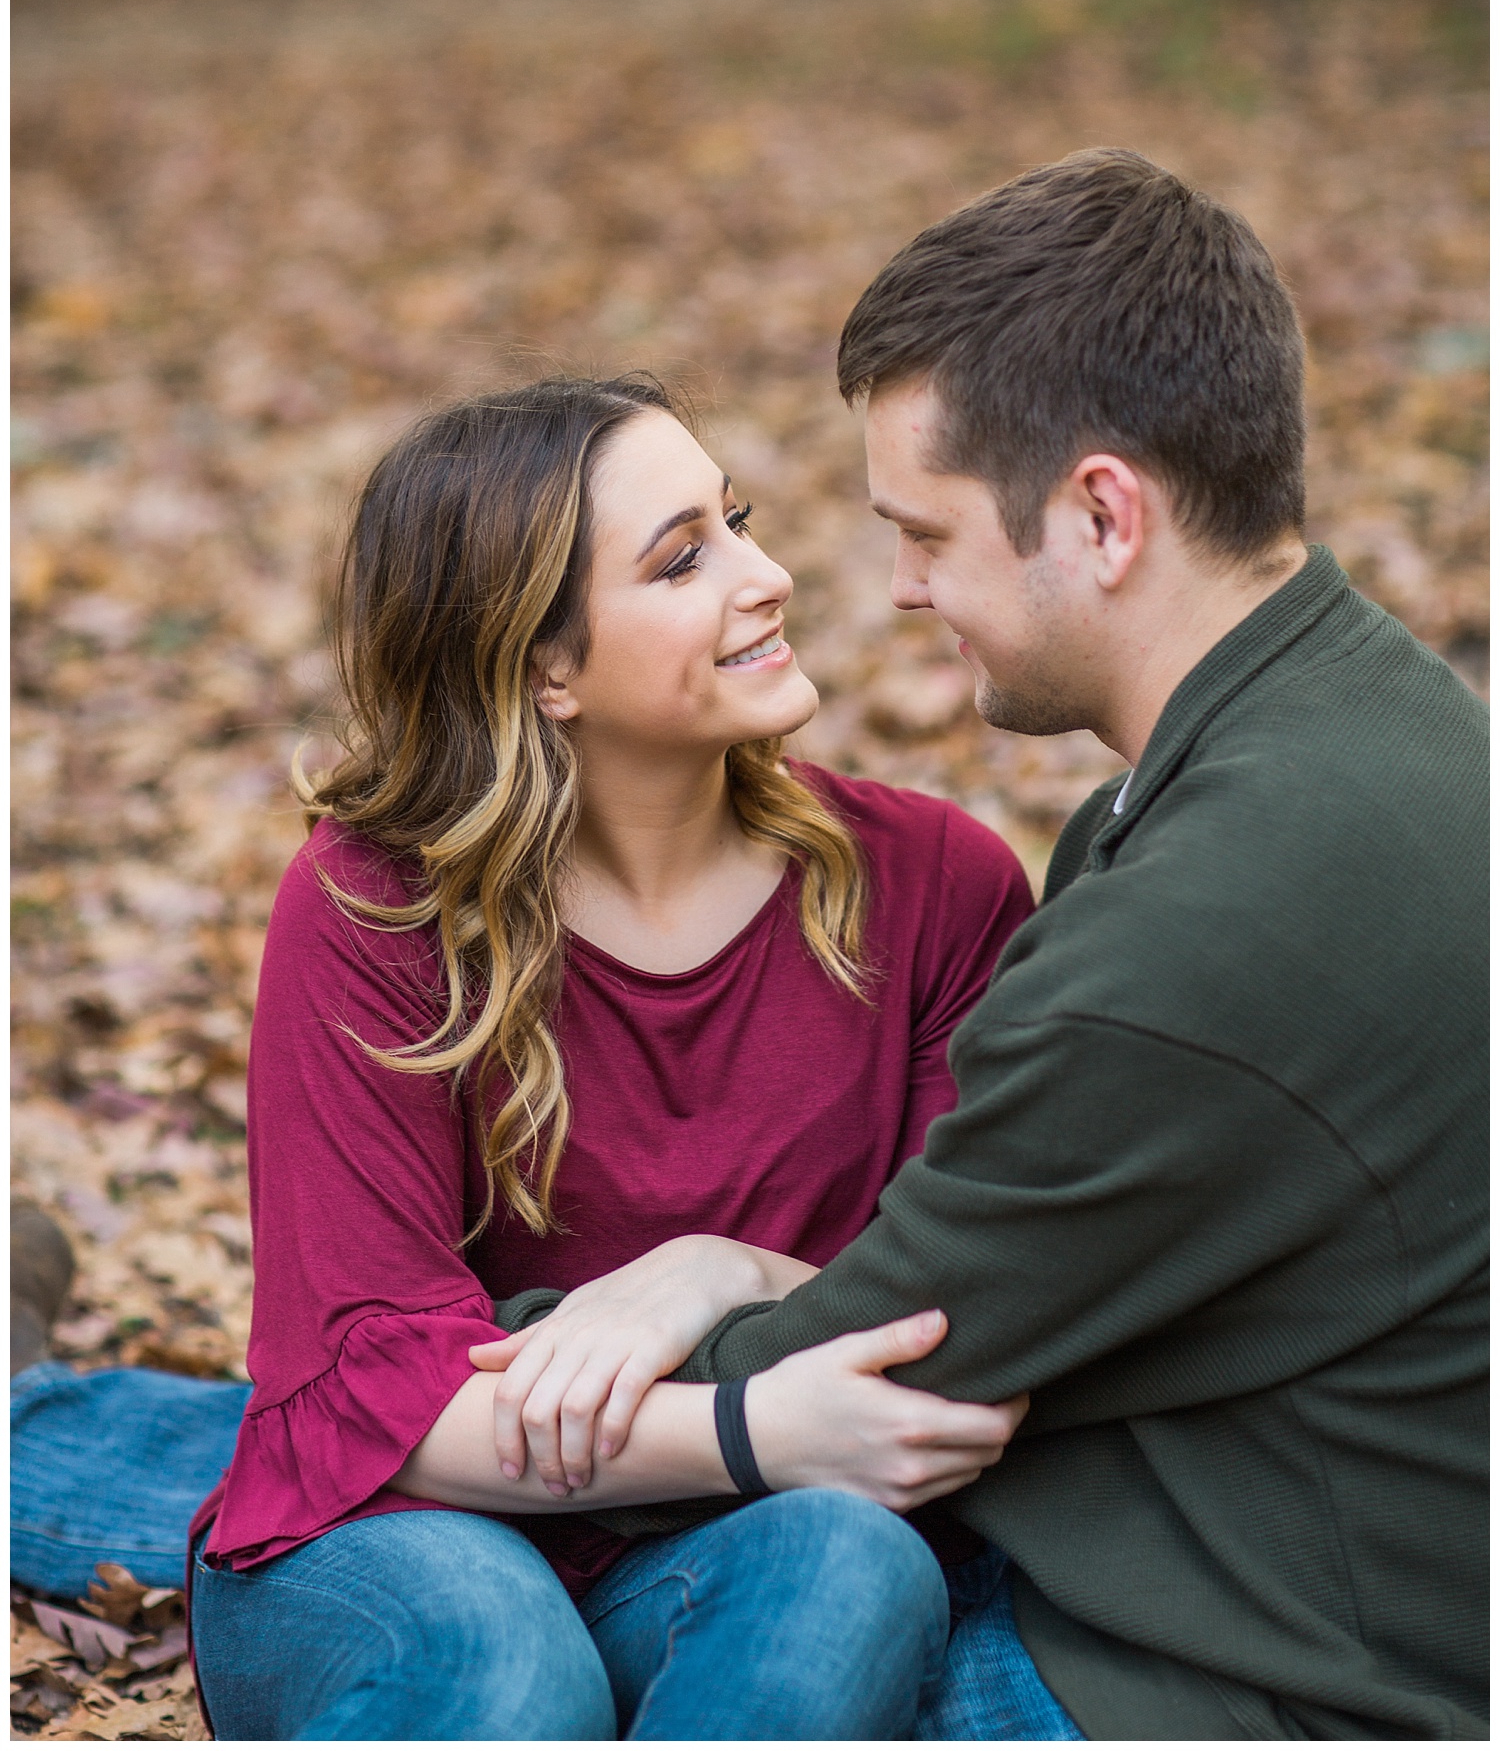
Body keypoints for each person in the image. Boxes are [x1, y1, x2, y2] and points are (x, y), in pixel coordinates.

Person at [496, 148, 1485, 1740]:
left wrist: (474, 1357)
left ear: (1103, 514)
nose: (891, 590)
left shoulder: (1196, 935)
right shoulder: (1380, 718)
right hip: (1260, 1550)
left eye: (930, 535)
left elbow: (864, 1366)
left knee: (407, 1496)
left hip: (1210, 1680)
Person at [12, 372, 1052, 1742]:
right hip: (409, 1529)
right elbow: (369, 1395)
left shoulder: (933, 888)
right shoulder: (375, 906)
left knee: (853, 1563)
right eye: (685, 559)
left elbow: (955, 1314)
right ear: (542, 667)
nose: (772, 575)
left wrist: (713, 1275)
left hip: (708, 1549)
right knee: (508, 1669)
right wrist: (754, 1429)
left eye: (736, 521)